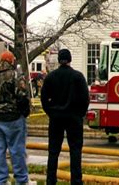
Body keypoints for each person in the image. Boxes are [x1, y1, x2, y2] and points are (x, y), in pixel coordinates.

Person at [0, 50, 31, 185]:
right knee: (17, 151)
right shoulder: (15, 76)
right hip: (13, 119)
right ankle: (21, 180)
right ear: (11, 61)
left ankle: (1, 181)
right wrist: (24, 112)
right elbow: (22, 97)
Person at [41, 49, 90, 185]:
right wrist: (80, 114)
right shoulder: (78, 77)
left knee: (53, 151)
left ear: (58, 60)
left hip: (56, 118)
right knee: (75, 151)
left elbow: (44, 98)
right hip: (74, 118)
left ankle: (51, 180)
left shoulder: (51, 77)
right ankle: (76, 181)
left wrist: (50, 112)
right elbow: (85, 98)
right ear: (70, 60)